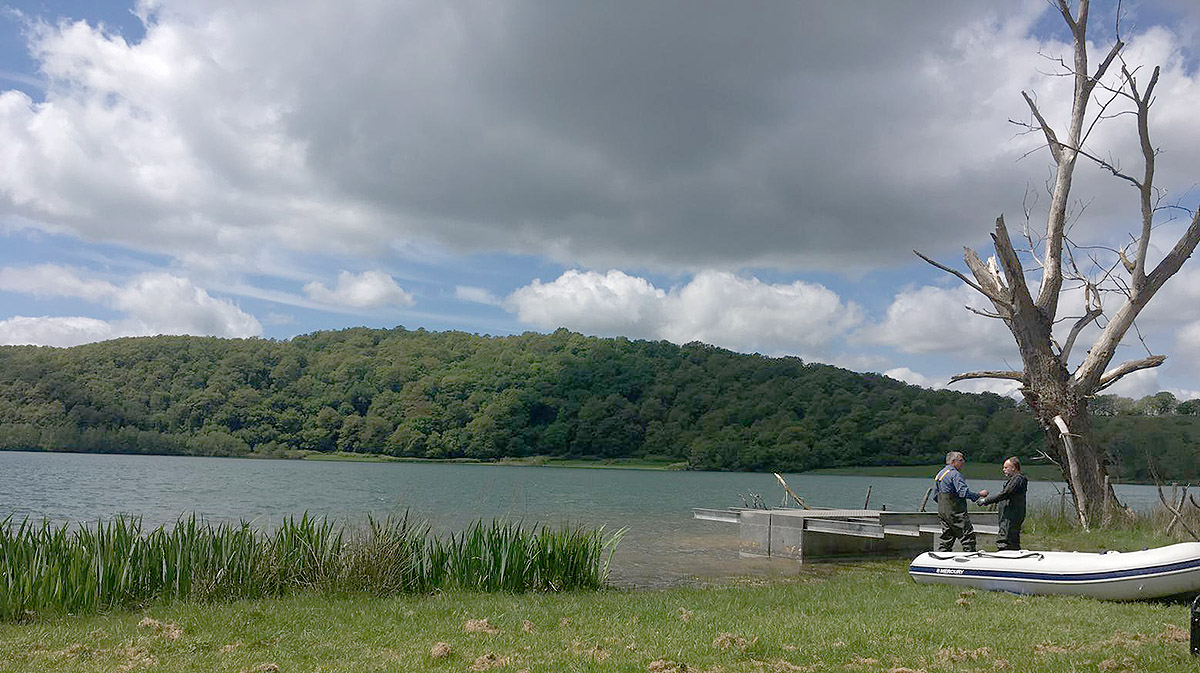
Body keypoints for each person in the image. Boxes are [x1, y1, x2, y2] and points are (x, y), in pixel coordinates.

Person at [933, 451, 987, 552]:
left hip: (943, 513)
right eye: (961, 460)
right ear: (953, 461)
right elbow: (963, 493)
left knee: (947, 538)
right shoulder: (955, 475)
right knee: (968, 537)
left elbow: (935, 496)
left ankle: (942, 559)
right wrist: (979, 495)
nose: (963, 462)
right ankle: (970, 561)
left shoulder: (940, 474)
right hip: (956, 512)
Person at [978, 456, 1028, 550]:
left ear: (1013, 467)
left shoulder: (1018, 479)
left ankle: (1003, 558)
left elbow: (1005, 493)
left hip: (1011, 516)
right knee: (1012, 541)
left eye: (1006, 467)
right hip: (1009, 515)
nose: (1003, 470)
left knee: (1005, 540)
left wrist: (986, 500)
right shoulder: (1015, 479)